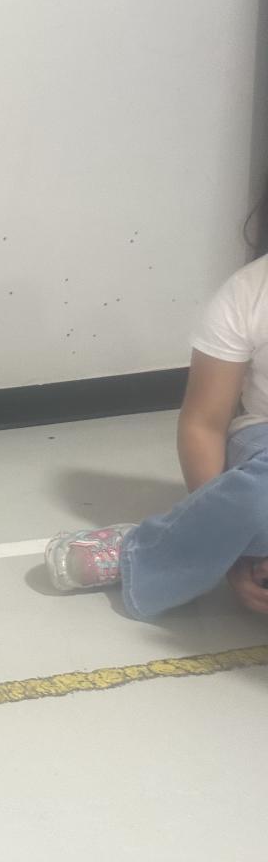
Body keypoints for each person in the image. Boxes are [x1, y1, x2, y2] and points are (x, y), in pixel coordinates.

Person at [45, 248, 268, 618]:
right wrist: (221, 537)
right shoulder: (249, 292)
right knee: (259, 497)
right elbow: (204, 423)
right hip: (262, 441)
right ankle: (144, 552)